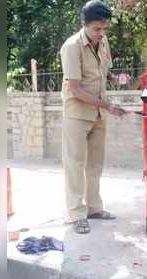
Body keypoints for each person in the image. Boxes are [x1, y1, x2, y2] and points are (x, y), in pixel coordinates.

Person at [60, 0, 127, 234]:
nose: (101, 33)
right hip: (77, 113)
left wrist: (116, 79)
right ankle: (76, 214)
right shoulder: (71, 47)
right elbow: (76, 88)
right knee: (75, 164)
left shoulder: (103, 41)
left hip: (98, 112)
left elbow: (103, 71)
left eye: (104, 28)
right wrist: (108, 105)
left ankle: (94, 209)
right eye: (97, 29)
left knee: (95, 164)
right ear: (84, 24)